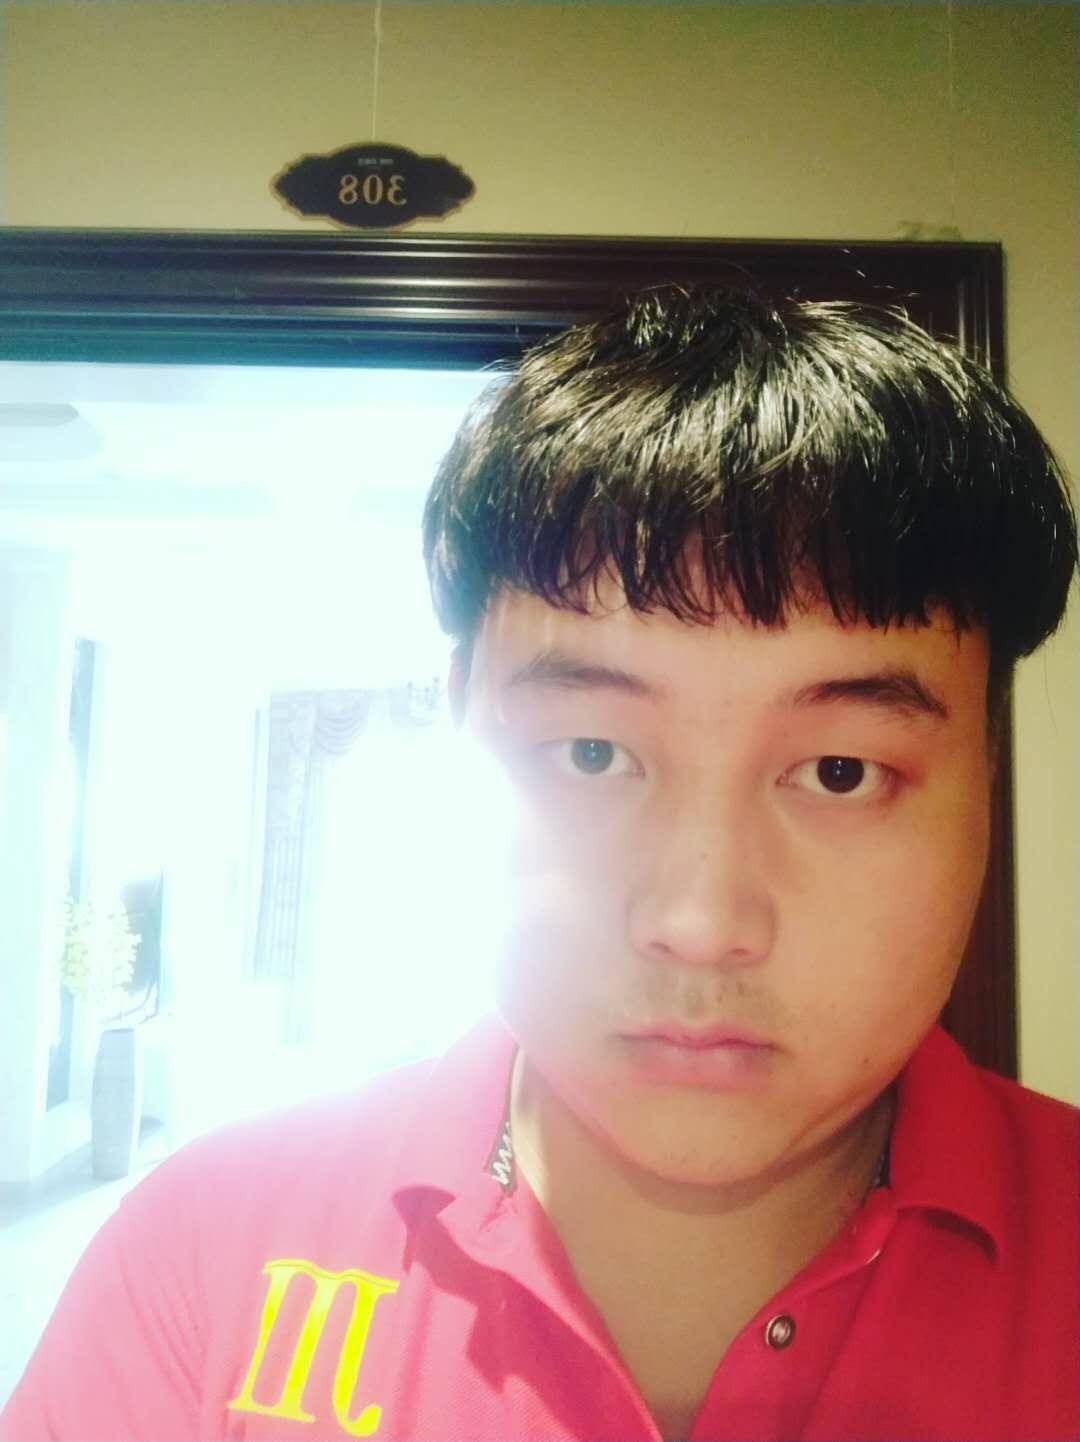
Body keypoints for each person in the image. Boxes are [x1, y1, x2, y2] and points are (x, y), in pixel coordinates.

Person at [2, 285, 1077, 1442]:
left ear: (987, 767)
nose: (699, 919)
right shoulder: (203, 1258)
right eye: (592, 751)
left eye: (839, 770)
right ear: (460, 719)